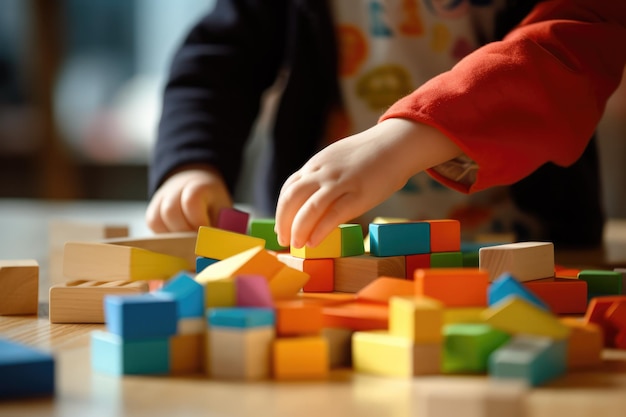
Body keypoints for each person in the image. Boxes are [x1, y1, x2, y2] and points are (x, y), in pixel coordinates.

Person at [146, 0, 626, 251]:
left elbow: (568, 51)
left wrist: (400, 144)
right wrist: (191, 163)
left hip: (522, 248)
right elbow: (219, 62)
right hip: (331, 252)